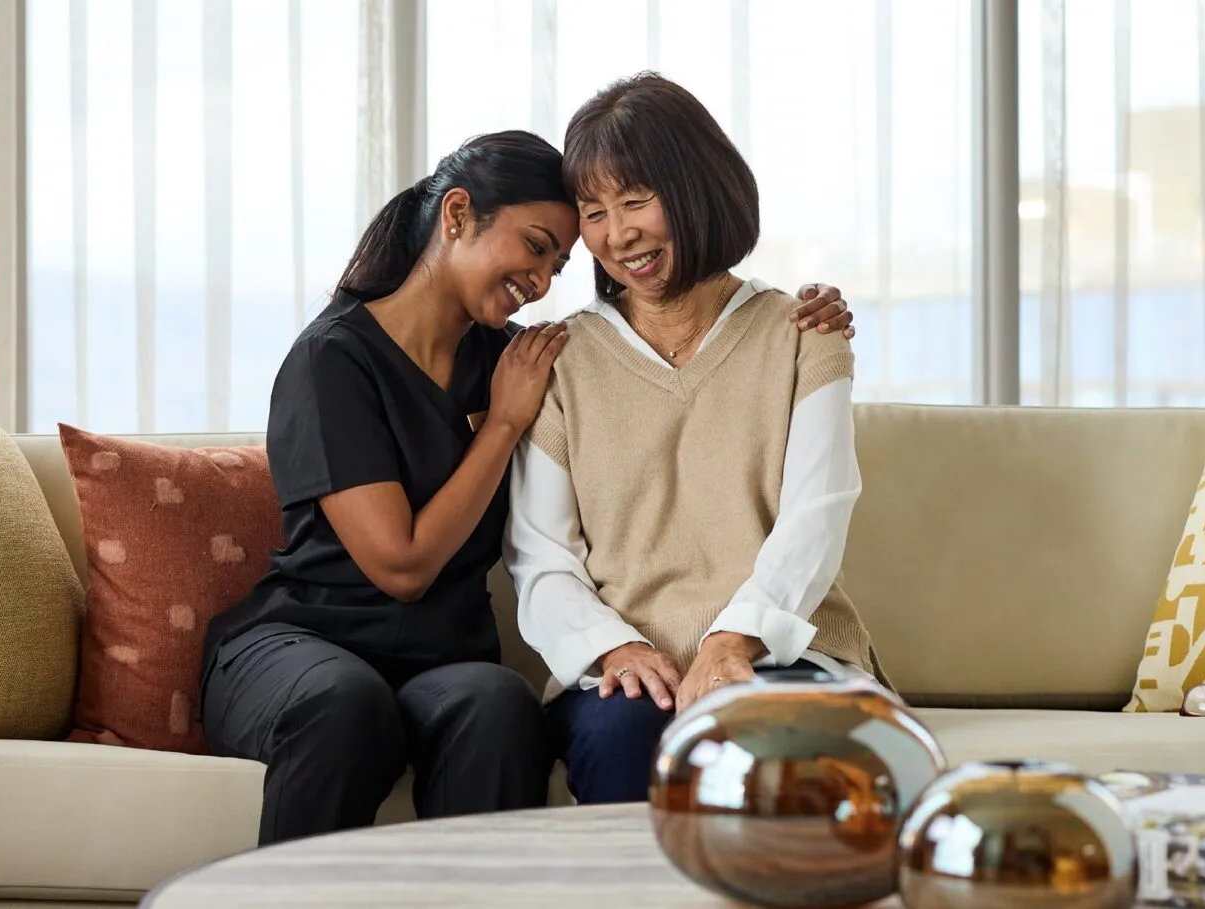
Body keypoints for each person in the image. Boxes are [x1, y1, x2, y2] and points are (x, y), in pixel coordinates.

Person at [199, 129, 856, 844]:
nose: (542, 280)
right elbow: (402, 565)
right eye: (536, 246)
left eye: (559, 262)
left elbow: (664, 349)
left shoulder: (518, 356)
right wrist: (503, 423)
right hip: (303, 641)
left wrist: (811, 309)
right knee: (346, 703)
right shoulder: (333, 361)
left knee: (498, 703)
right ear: (455, 215)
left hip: (435, 658)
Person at [504, 73, 890, 806]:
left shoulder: (803, 333)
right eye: (594, 211)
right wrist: (613, 645)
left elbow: (818, 511)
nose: (618, 234)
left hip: (786, 650)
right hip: (620, 663)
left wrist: (732, 639)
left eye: (636, 200)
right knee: (618, 736)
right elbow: (539, 553)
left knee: (766, 733)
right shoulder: (562, 360)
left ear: (695, 189)